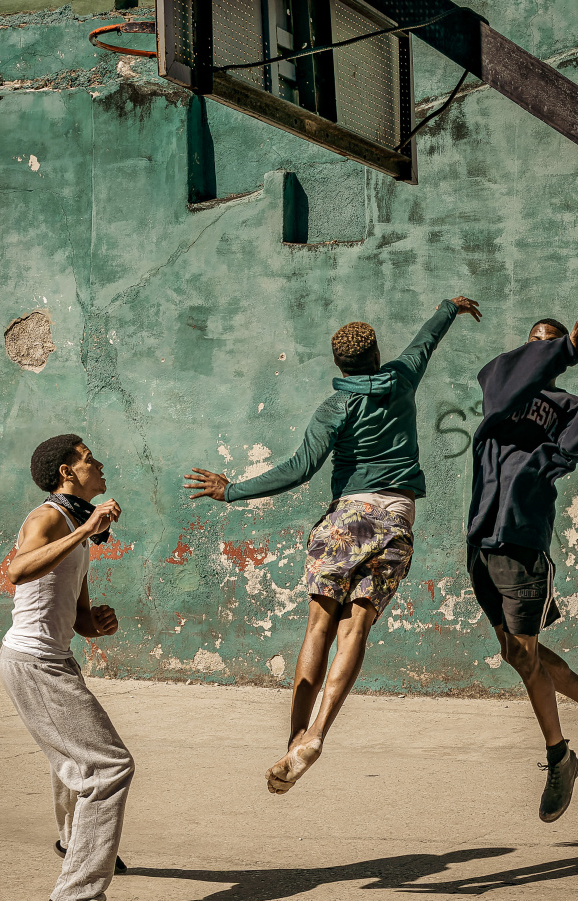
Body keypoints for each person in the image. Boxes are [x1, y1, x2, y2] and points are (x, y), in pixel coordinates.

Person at [185, 296, 482, 794]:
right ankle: (318, 735)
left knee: (319, 626)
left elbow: (299, 469)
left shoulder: (335, 407)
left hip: (347, 517)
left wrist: (231, 490)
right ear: (376, 354)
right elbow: (424, 341)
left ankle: (294, 737)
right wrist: (448, 307)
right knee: (356, 629)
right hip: (395, 518)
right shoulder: (403, 378)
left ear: (338, 364)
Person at [467, 315, 578, 822]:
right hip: (481, 539)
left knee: (522, 655)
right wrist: (567, 346)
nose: (547, 351)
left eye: (555, 343)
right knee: (517, 652)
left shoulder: (564, 410)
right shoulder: (501, 385)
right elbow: (503, 376)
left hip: (522, 539)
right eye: (539, 345)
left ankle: (559, 756)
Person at [0, 434, 134, 901]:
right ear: (66, 473)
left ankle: (75, 842)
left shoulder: (74, 522)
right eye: (88, 459)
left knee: (76, 758)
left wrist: (96, 622)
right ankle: (75, 895)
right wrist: (85, 530)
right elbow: (17, 570)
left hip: (51, 658)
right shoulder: (49, 517)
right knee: (109, 766)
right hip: (34, 662)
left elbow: (77, 617)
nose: (99, 463)